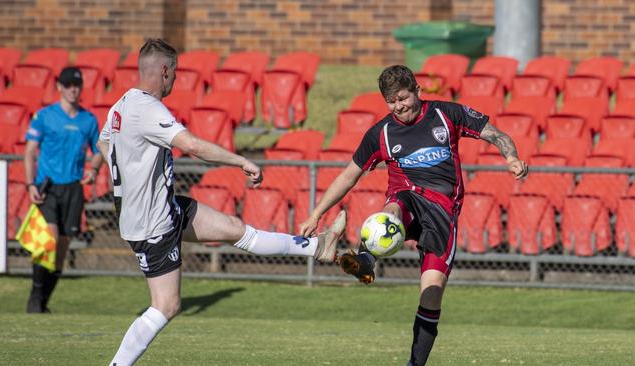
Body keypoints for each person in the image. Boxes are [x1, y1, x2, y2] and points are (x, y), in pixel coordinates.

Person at [97, 38, 345, 366]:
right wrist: (240, 161)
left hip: (164, 209)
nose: (175, 81)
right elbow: (194, 147)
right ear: (165, 71)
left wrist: (131, 177)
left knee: (236, 229)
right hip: (151, 223)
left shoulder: (121, 105)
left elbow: (103, 144)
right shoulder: (148, 108)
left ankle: (318, 246)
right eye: (175, 74)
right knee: (166, 306)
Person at [299, 65, 528, 365]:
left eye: (403, 98)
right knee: (393, 210)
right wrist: (316, 214)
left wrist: (511, 156)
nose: (399, 107)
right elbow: (347, 177)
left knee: (431, 295)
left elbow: (495, 134)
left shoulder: (447, 115)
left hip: (442, 214)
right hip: (406, 198)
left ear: (418, 91)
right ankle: (365, 260)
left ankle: (414, 364)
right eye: (391, 102)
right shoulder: (381, 132)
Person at [24, 66, 104, 313]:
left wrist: (94, 168)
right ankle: (35, 298)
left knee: (62, 248)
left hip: (73, 189)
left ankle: (43, 302)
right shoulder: (44, 116)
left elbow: (100, 150)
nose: (73, 89)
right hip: (47, 188)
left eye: (77, 85)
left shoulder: (88, 120)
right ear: (59, 87)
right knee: (49, 238)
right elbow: (29, 151)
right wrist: (30, 185)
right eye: (68, 84)